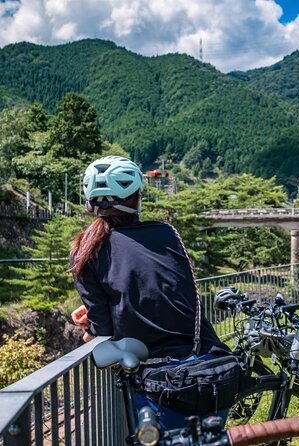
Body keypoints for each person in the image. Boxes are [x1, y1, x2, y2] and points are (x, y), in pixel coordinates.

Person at [69, 155, 230, 429]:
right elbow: (167, 294)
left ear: (90, 204)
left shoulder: (86, 251)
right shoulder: (167, 233)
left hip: (159, 388)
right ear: (137, 198)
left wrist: (89, 329)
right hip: (210, 374)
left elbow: (103, 331)